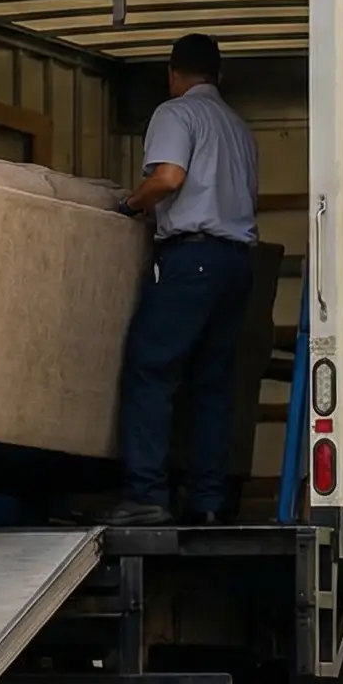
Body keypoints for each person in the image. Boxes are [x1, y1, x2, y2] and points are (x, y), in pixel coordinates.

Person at [101, 32, 260, 528]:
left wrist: (129, 203)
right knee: (211, 384)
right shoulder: (238, 128)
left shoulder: (176, 114)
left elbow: (169, 177)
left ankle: (147, 493)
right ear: (219, 74)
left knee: (152, 367)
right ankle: (208, 501)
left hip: (192, 259)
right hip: (237, 265)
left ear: (173, 73)